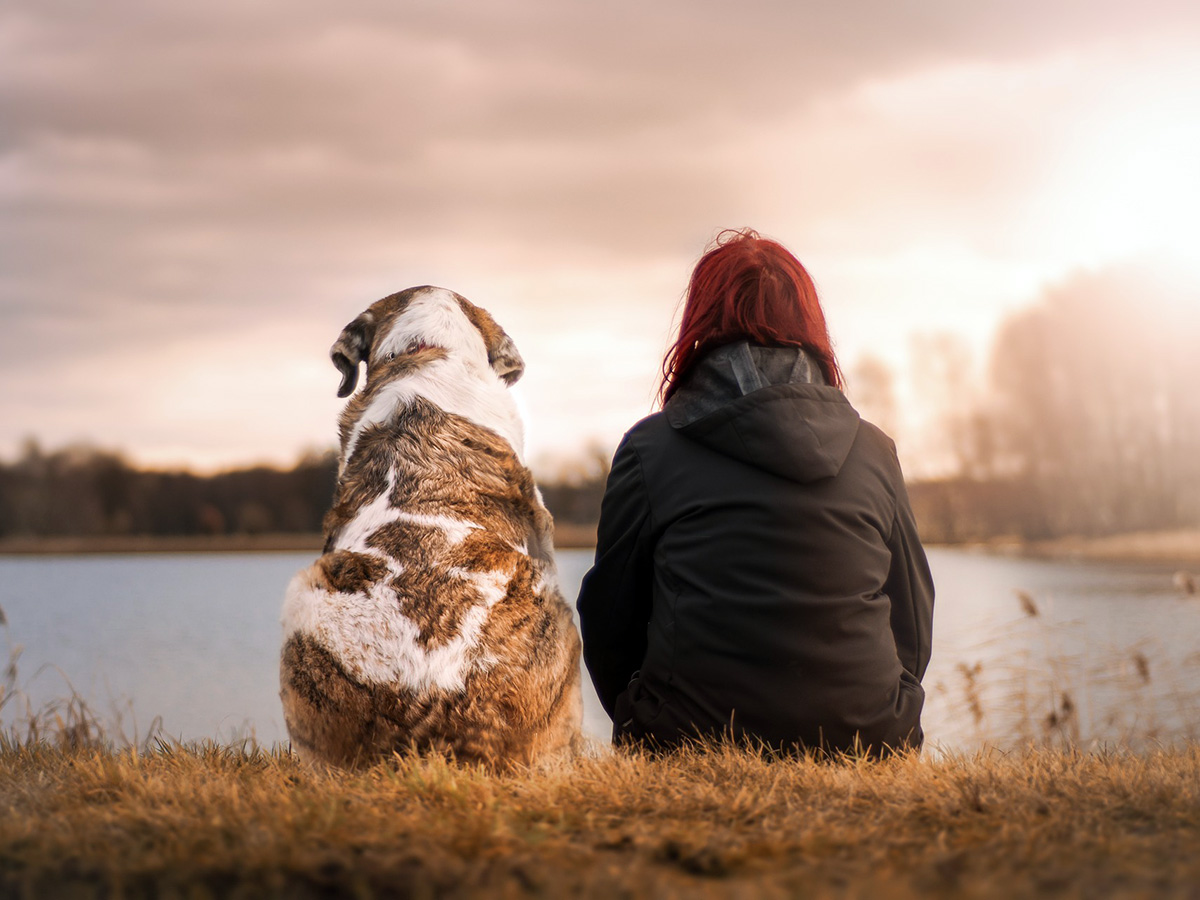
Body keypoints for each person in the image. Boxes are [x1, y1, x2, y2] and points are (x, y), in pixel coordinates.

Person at [576, 229, 934, 756]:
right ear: (809, 324)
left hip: (687, 740)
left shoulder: (650, 450)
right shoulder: (874, 451)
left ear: (699, 323)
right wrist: (886, 706)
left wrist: (643, 714)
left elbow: (609, 619)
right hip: (868, 739)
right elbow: (913, 618)